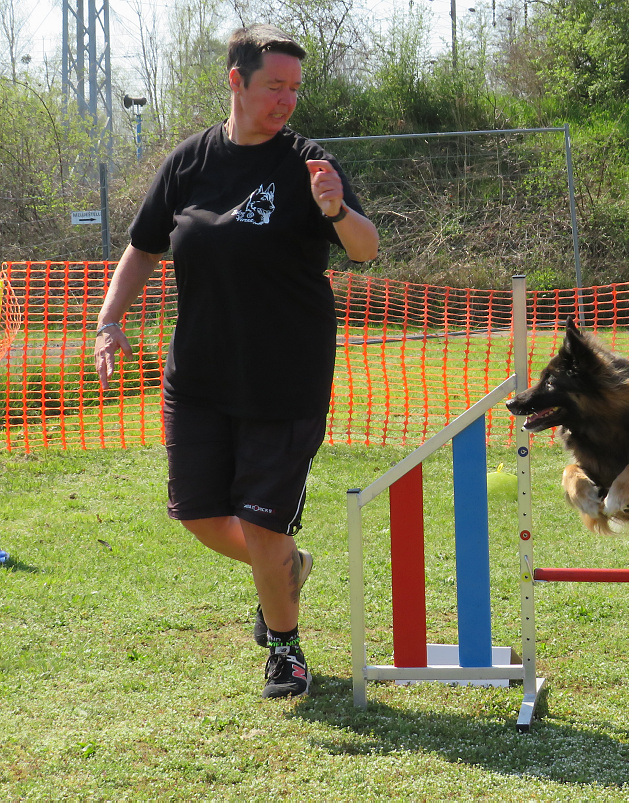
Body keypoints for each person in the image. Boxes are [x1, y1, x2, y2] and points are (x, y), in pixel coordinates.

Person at [93, 23, 379, 699]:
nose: (287, 100)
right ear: (236, 81)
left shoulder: (310, 161)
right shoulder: (191, 161)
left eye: (295, 89)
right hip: (197, 377)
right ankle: (288, 566)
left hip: (285, 378)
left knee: (260, 522)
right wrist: (109, 320)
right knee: (196, 514)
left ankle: (285, 649)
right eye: (274, 85)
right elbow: (143, 245)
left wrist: (335, 208)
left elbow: (366, 248)